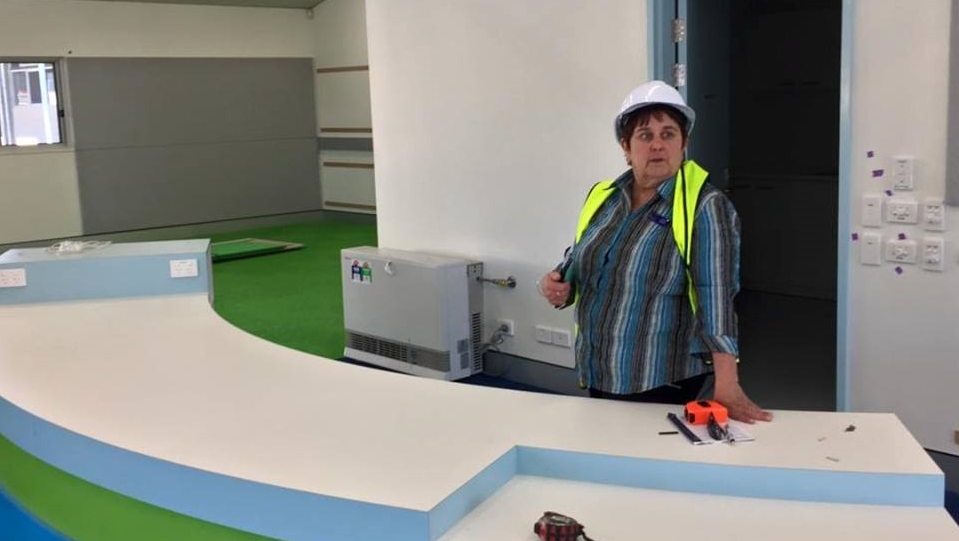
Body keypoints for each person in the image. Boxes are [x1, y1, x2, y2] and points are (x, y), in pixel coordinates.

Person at [538, 80, 772, 423]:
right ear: (626, 147)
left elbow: (717, 298)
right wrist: (558, 286)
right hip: (599, 370)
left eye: (668, 134)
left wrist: (727, 383)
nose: (658, 145)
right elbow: (577, 264)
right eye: (645, 135)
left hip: (662, 380)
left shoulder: (705, 206)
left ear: (684, 143)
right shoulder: (603, 197)